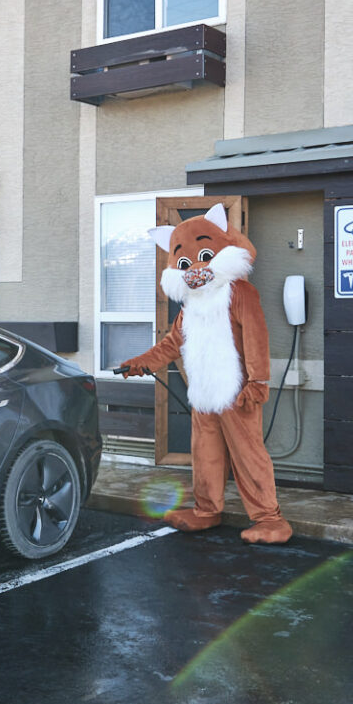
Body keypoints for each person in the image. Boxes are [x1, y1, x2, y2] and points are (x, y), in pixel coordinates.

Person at [119, 204, 292, 545]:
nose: (195, 267)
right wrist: (141, 362)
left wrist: (258, 382)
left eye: (204, 255)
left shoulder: (240, 293)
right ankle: (206, 509)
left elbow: (257, 338)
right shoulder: (191, 307)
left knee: (248, 454)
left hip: (238, 392)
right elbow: (172, 344)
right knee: (205, 453)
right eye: (184, 262)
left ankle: (271, 519)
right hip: (203, 392)